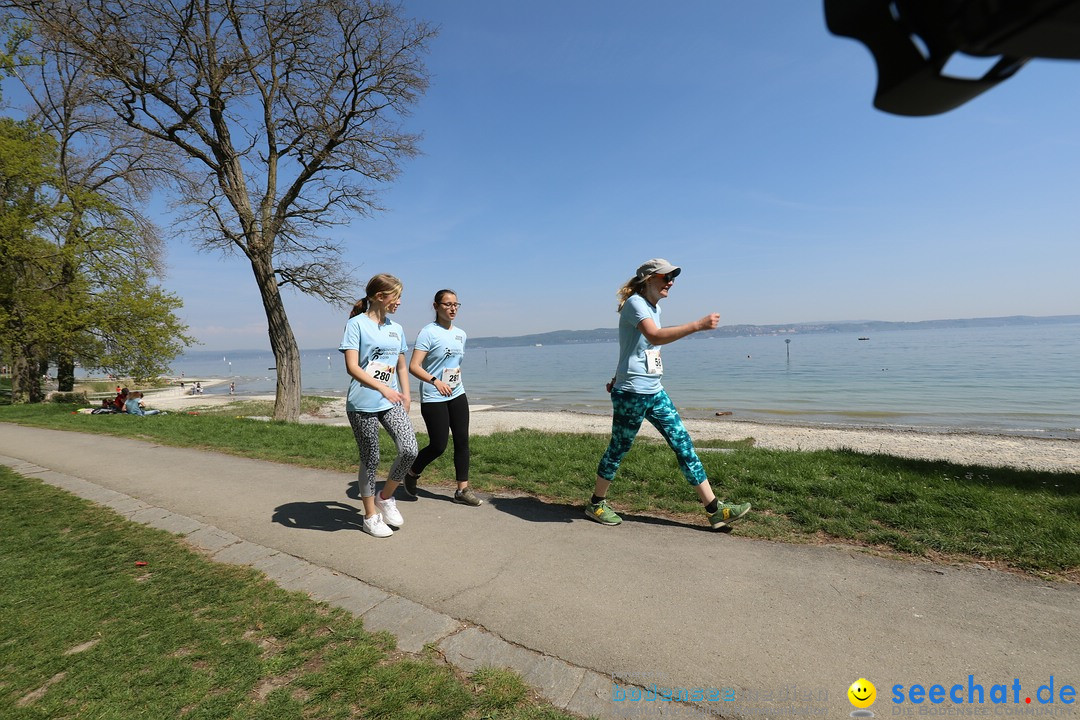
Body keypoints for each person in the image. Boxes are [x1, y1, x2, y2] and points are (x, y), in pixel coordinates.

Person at [587, 258, 752, 530]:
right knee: (618, 449)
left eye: (672, 277)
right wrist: (698, 325)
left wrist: (617, 375)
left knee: (683, 444)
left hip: (654, 390)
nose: (671, 282)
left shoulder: (654, 307)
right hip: (632, 394)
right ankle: (596, 504)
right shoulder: (635, 304)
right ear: (648, 279)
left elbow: (635, 349)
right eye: (666, 277)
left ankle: (715, 510)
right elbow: (654, 337)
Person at [339, 273, 419, 538]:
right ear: (379, 297)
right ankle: (370, 515)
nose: (399, 302)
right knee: (371, 458)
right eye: (396, 296)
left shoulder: (396, 328)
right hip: (362, 402)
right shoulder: (356, 325)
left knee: (409, 449)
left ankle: (385, 497)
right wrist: (382, 386)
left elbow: (400, 365)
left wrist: (406, 394)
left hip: (392, 399)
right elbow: (352, 367)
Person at [404, 289, 481, 506]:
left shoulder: (461, 334)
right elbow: (414, 366)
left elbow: (454, 364)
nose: (453, 308)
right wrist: (435, 381)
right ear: (436, 306)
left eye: (456, 304)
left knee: (462, 441)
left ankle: (462, 490)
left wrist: (454, 375)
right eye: (447, 304)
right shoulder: (428, 332)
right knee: (438, 446)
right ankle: (411, 472)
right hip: (433, 395)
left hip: (457, 393)